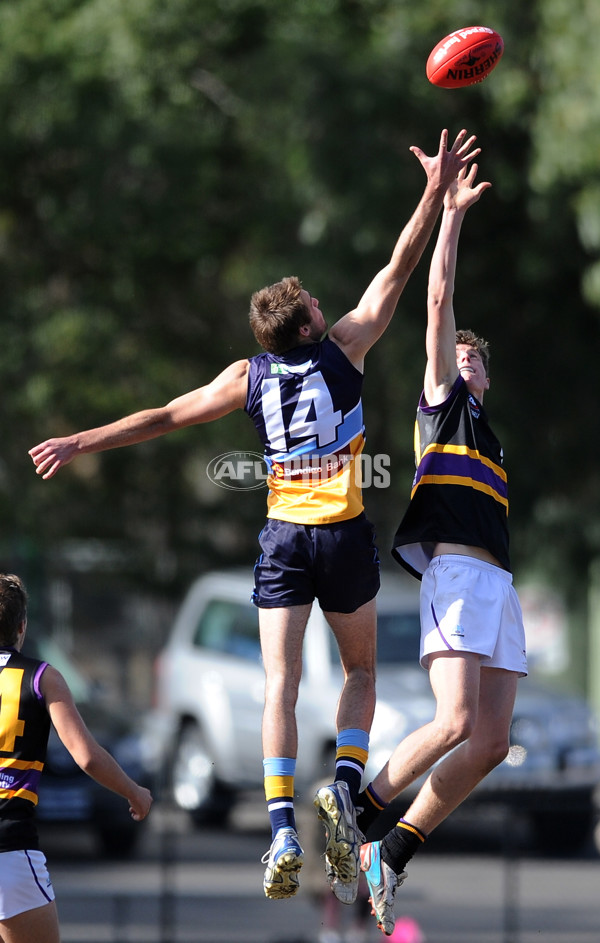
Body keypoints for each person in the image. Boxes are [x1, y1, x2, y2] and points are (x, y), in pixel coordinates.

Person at [28, 128, 481, 903]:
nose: (320, 301)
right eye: (311, 300)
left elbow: (167, 415)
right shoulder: (346, 345)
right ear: (308, 323)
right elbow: (401, 265)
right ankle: (342, 785)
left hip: (282, 538)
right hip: (340, 534)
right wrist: (433, 192)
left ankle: (278, 828)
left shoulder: (249, 376)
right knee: (361, 670)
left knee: (280, 679)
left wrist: (81, 439)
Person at [355, 164, 528, 935]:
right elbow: (435, 296)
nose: (461, 357)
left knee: (491, 741)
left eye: (472, 356)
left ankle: (389, 852)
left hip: (500, 589)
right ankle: (357, 805)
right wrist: (451, 213)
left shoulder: (489, 439)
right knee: (454, 719)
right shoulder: (440, 408)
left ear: (487, 374)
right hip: (455, 574)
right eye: (453, 353)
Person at [0, 573, 152, 943]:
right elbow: (87, 757)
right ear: (21, 627)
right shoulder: (40, 677)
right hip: (8, 846)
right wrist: (135, 792)